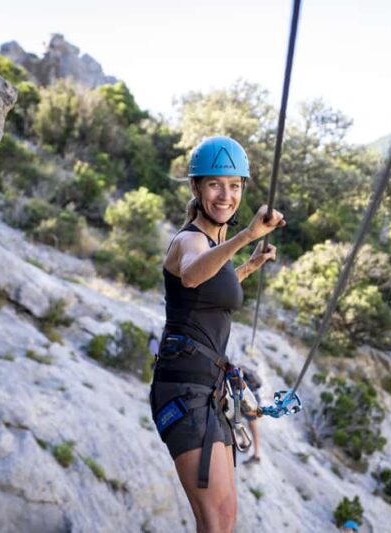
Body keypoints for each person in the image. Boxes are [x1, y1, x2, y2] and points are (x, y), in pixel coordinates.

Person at [150, 136, 285, 533]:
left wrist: (250, 264)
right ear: (196, 188)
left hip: (207, 390)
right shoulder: (189, 240)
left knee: (224, 519)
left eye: (235, 186)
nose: (226, 195)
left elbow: (208, 291)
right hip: (184, 390)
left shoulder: (216, 246)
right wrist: (248, 236)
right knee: (214, 521)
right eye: (215, 185)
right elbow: (192, 273)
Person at [240, 367, 263, 465]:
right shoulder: (244, 370)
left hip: (248, 400)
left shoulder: (237, 371)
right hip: (254, 397)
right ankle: (245, 443)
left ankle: (257, 455)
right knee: (240, 421)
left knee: (252, 426)